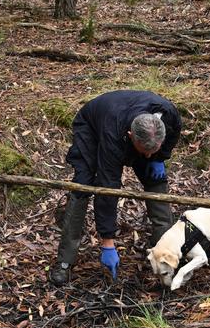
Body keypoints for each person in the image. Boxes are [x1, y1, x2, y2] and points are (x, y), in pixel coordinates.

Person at [48, 90, 182, 285]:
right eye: (144, 151)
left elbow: (174, 133)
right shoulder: (113, 137)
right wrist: (107, 243)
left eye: (153, 149)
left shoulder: (168, 114)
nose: (146, 156)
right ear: (130, 136)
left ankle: (165, 250)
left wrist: (160, 157)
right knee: (83, 185)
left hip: (140, 134)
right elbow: (107, 189)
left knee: (156, 180)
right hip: (92, 127)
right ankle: (64, 262)